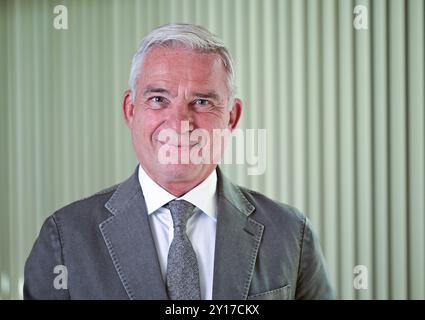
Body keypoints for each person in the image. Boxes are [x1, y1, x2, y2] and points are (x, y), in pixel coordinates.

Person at [24, 23, 334, 300]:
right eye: (158, 99)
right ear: (131, 111)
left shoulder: (292, 234)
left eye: (201, 102)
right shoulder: (64, 239)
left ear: (232, 117)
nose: (180, 122)